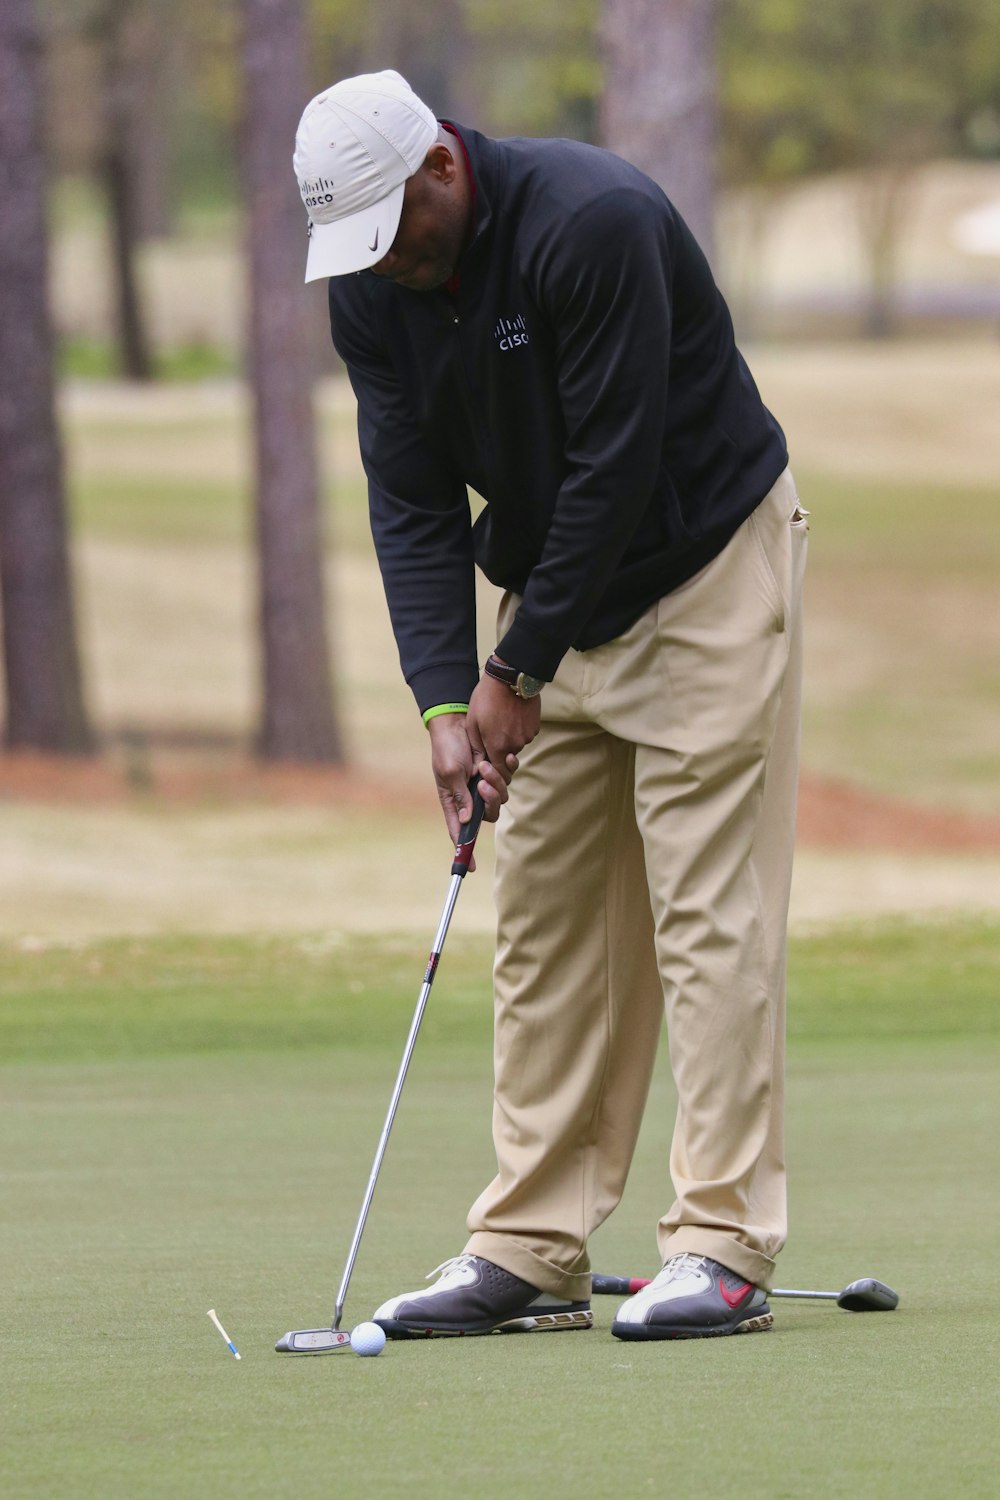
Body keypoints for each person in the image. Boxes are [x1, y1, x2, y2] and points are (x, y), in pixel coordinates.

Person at [293, 70, 808, 1342]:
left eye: (395, 230)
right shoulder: (375, 285)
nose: (386, 264)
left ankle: (724, 1241)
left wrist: (515, 672)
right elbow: (407, 499)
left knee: (703, 908)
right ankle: (533, 1242)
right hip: (556, 594)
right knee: (541, 925)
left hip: (701, 562)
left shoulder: (593, 220)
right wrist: (440, 706)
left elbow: (614, 465)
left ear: (441, 168)